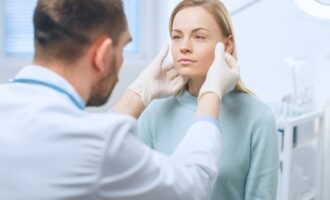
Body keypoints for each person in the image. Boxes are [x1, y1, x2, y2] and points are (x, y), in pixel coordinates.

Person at [0, 0, 240, 200]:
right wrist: (212, 94)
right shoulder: (97, 144)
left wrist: (138, 93)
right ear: (103, 54)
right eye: (123, 48)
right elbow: (190, 187)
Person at [138, 0, 279, 200]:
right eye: (176, 37)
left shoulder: (258, 116)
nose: (184, 47)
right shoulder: (155, 111)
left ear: (227, 46)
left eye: (199, 37)